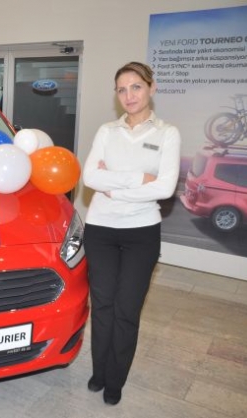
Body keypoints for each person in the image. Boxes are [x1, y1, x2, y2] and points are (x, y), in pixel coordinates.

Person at [82, 61, 181, 405]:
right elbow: (90, 178)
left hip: (141, 233)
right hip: (101, 230)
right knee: (103, 306)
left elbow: (165, 188)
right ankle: (99, 372)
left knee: (127, 309)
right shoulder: (107, 131)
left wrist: (113, 185)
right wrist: (140, 180)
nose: (129, 95)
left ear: (151, 88)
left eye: (136, 86)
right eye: (122, 89)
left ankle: (115, 380)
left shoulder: (167, 133)